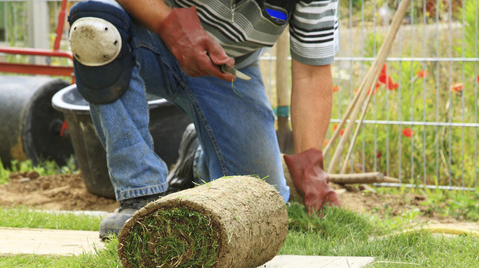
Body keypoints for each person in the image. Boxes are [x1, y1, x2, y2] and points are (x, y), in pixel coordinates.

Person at [67, 0, 341, 239]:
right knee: (95, 26)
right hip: (150, 37)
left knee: (261, 202)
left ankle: (196, 158)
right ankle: (141, 196)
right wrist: (170, 26)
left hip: (226, 70)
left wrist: (310, 167)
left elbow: (312, 73)